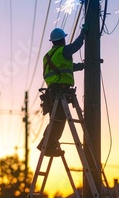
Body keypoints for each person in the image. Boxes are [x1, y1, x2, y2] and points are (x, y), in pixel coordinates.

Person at [37, 26, 87, 157]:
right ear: (62, 40)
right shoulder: (63, 51)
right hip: (60, 92)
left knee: (55, 120)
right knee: (59, 119)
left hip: (52, 92)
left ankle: (46, 144)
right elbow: (76, 45)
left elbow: (65, 68)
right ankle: (48, 146)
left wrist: (81, 66)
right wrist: (83, 33)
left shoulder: (47, 56)